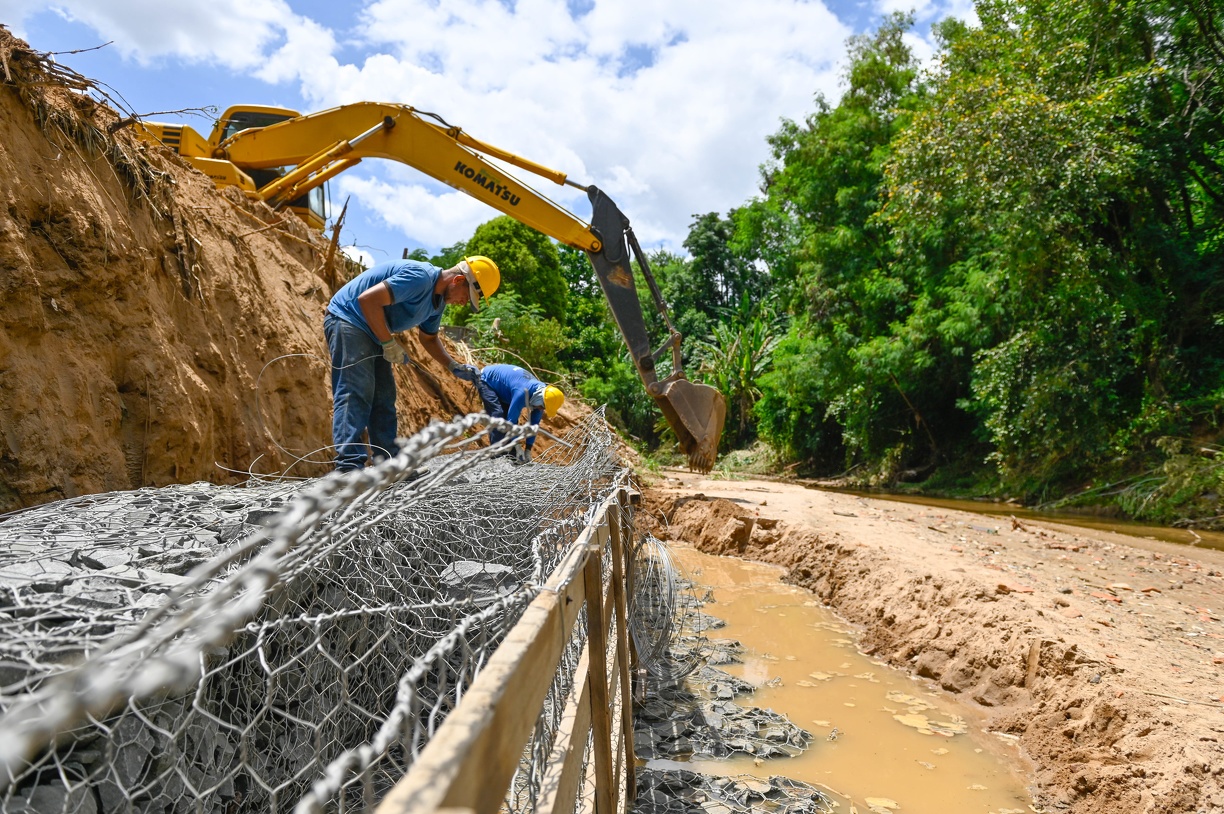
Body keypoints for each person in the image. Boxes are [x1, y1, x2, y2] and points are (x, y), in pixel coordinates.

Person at [324, 255, 500, 471]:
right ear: (458, 280)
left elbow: (429, 338)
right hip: (349, 318)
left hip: (373, 330)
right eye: (467, 296)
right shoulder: (420, 278)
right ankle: (348, 467)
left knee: (384, 398)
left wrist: (452, 365)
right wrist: (389, 343)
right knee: (355, 392)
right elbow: (367, 300)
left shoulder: (437, 305)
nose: (464, 303)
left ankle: (388, 466)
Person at [476, 364, 565, 463]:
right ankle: (496, 457)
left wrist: (528, 450)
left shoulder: (542, 399)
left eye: (544, 408)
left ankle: (511, 456)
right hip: (487, 379)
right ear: (541, 398)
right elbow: (511, 421)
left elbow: (534, 425)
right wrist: (518, 446)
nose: (541, 409)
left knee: (509, 421)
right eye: (542, 406)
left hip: (506, 389)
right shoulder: (522, 392)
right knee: (499, 415)